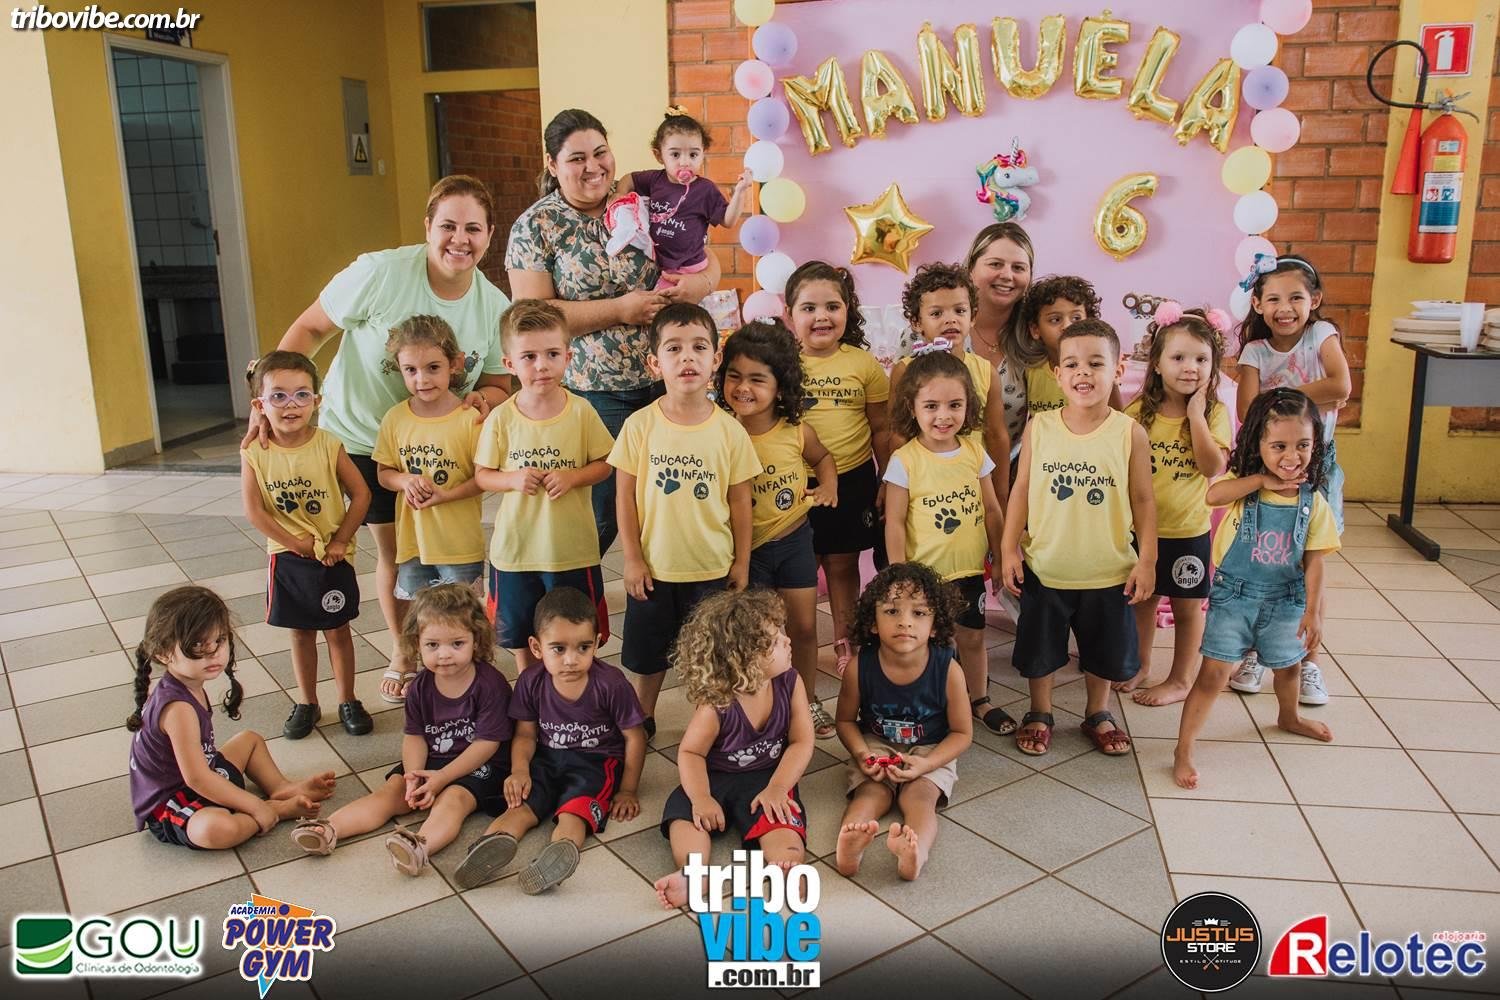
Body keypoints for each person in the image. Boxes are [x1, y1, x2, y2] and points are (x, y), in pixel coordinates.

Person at [252, 175, 511, 705]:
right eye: (448, 226)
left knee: (447, 552)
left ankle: (456, 649)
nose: (460, 239)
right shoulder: (380, 272)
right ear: (428, 226)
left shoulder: (492, 304)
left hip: (438, 448)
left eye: (473, 229)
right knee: (395, 551)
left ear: (489, 235)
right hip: (363, 438)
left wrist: (480, 401)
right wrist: (273, 404)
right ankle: (404, 651)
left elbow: (498, 382)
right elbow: (309, 331)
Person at [506, 109, 722, 553]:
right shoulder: (536, 226)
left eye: (600, 153)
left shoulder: (640, 199)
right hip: (596, 393)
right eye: (577, 158)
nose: (593, 166)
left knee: (672, 503)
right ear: (552, 165)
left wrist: (700, 284)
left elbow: (702, 253)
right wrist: (619, 310)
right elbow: (532, 318)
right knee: (600, 514)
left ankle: (666, 588)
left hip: (669, 383)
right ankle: (572, 593)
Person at [1001, 320, 1155, 757]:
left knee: (1103, 650)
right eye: (1071, 364)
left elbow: (1144, 500)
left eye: (1095, 363)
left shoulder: (1129, 432)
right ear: (1057, 373)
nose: (1082, 372)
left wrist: (1147, 560)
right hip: (1046, 566)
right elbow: (1021, 488)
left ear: (1119, 370)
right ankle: (1040, 712)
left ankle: (1098, 713)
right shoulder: (1041, 427)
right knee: (1040, 649)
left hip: (1108, 569)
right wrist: (1009, 548)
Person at [608, 303, 760, 734]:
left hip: (710, 566)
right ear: (654, 363)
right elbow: (624, 497)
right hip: (655, 568)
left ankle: (707, 724)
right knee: (648, 653)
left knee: (711, 652)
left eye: (699, 347)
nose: (687, 357)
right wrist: (631, 559)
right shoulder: (639, 425)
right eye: (674, 348)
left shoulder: (730, 431)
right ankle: (643, 714)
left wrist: (742, 562)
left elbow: (740, 502)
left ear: (715, 359)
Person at [1174, 389, 1338, 789]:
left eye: (1302, 445)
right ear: (1257, 445)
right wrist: (1261, 480)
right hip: (1234, 598)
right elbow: (1213, 495)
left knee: (1289, 666)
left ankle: (1289, 716)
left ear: (1315, 445)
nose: (1291, 456)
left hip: (1286, 600)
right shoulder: (1244, 485)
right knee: (1212, 675)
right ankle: (1184, 749)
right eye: (1278, 446)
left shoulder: (1313, 501)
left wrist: (1312, 611)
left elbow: (1315, 561)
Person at [290, 584, 513, 875]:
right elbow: (414, 736)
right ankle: (329, 829)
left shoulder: (490, 685)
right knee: (390, 793)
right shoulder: (420, 686)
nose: (444, 654)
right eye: (432, 645)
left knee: (453, 801)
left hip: (480, 764)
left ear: (476, 639)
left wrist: (442, 778)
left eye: (457, 644)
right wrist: (413, 775)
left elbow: (487, 744)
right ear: (416, 643)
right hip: (432, 757)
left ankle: (419, 847)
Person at [453, 587, 647, 893]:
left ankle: (555, 858)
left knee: (574, 813)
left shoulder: (611, 684)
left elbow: (635, 736)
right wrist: (520, 770)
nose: (571, 659)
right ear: (536, 647)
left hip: (596, 763)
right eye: (558, 648)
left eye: (583, 647)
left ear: (597, 642)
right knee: (520, 806)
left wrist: (627, 790)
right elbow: (525, 734)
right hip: (545, 759)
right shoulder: (531, 682)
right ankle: (487, 848)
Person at [1230, 255, 1351, 706]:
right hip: (1265, 467)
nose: (1285, 308)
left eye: (1296, 297)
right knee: (1265, 560)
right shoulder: (1255, 352)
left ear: (1314, 300)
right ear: (1257, 304)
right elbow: (1247, 411)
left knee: (1309, 563)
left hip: (1315, 465)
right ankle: (1258, 652)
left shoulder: (1322, 335)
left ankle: (1309, 662)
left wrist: (1277, 399)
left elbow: (1340, 386)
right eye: (1274, 299)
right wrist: (1304, 401)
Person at [129, 586, 336, 850]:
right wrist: (257, 807)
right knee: (216, 830)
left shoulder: (187, 683)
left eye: (219, 640)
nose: (213, 652)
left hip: (204, 771)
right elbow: (197, 779)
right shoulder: (178, 708)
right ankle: (276, 808)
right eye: (197, 645)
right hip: (173, 801)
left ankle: (280, 787)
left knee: (249, 740)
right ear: (163, 652)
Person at [716, 319, 840, 738]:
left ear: (781, 386)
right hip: (745, 552)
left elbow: (823, 458)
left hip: (793, 541)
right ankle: (758, 705)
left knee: (802, 628)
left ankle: (808, 701)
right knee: (755, 634)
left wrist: (828, 485)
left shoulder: (796, 430)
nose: (743, 387)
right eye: (734, 376)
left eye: (757, 379)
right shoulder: (720, 431)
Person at [474, 300, 614, 673]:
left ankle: (577, 691)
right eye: (529, 356)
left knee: (578, 630)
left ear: (568, 356)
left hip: (572, 550)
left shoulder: (582, 411)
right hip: (516, 551)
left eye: (552, 354)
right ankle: (529, 693)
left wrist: (573, 477)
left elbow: (606, 463)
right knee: (520, 634)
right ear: (509, 363)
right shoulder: (501, 418)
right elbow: (482, 475)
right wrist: (512, 479)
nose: (542, 365)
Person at [653, 589, 814, 908]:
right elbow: (691, 753)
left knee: (783, 818)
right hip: (714, 778)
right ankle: (693, 872)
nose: (787, 641)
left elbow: (802, 741)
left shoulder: (791, 682)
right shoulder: (717, 704)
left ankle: (787, 865)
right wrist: (701, 798)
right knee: (684, 816)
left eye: (782, 633)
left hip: (767, 778)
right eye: (774, 641)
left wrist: (778, 787)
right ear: (744, 660)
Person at [240, 352, 372, 739]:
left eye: (301, 395)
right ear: (260, 405)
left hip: (332, 556)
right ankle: (307, 702)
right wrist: (293, 543)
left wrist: (341, 539)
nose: (291, 405)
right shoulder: (254, 452)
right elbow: (254, 511)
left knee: (338, 629)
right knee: (299, 632)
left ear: (317, 401)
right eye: (278, 396)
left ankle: (348, 699)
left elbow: (361, 494)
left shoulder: (329, 444)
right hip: (287, 556)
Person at [884, 350, 1012, 736]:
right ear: (912, 407)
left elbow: (992, 510)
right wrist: (899, 575)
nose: (944, 416)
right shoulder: (904, 460)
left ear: (968, 405)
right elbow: (894, 522)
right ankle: (931, 702)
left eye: (955, 405)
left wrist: (1001, 556)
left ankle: (979, 699)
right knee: (928, 642)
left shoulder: (974, 452)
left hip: (968, 570)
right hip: (923, 578)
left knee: (972, 637)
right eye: (932, 406)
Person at [1121, 305, 1233, 707]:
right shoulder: (1138, 413)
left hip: (1188, 531)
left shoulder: (1215, 413)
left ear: (1213, 366)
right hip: (1143, 531)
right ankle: (1140, 664)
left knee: (1187, 609)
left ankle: (1182, 679)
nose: (1190, 368)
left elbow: (1212, 467)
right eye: (1179, 357)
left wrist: (1196, 417)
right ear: (1157, 363)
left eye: (1201, 359)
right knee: (1143, 602)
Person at [833, 563, 972, 881]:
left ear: (935, 626)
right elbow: (845, 721)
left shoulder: (949, 670)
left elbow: (962, 733)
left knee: (919, 798)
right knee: (871, 793)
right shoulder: (858, 667)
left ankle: (916, 851)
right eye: (892, 611)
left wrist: (928, 765)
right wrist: (861, 754)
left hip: (931, 748)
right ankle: (850, 843)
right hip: (876, 746)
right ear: (872, 622)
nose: (905, 622)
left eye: (919, 613)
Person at [784, 261, 890, 675]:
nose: (822, 316)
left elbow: (880, 428)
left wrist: (886, 478)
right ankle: (793, 646)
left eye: (833, 306)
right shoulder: (782, 365)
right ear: (789, 314)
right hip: (796, 484)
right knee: (799, 568)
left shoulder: (863, 365)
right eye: (809, 308)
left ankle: (846, 642)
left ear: (848, 310)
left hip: (852, 480)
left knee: (844, 565)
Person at [372, 315, 486, 697]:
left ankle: (469, 674)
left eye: (433, 368)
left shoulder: (471, 419)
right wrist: (405, 481)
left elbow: (484, 477)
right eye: (411, 370)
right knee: (415, 610)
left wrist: (446, 495)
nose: (422, 379)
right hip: (414, 541)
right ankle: (411, 660)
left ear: (455, 364)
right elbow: (384, 472)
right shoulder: (396, 418)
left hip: (458, 542)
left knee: (462, 615)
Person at [889, 262, 1011, 505]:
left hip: (971, 482)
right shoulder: (904, 370)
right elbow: (898, 433)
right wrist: (892, 484)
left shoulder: (986, 372)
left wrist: (1001, 493)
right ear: (916, 322)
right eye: (936, 313)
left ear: (972, 317)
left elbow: (996, 435)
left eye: (959, 311)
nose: (950, 320)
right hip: (923, 485)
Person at [615, 108, 752, 286]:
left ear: (703, 153)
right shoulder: (654, 179)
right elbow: (629, 179)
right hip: (658, 266)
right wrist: (619, 197)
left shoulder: (705, 190)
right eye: (675, 154)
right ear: (659, 155)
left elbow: (728, 221)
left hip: (691, 268)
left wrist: (740, 192)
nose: (685, 162)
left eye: (693, 154)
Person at [962, 223, 1034, 449]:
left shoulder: (1036, 336)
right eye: (995, 264)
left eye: (1018, 268)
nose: (1007, 275)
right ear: (971, 269)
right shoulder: (928, 330)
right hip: (936, 467)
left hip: (1012, 465)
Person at [1017, 275, 1122, 417]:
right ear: (1035, 330)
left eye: (1076, 318)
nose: (1067, 326)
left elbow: (1118, 418)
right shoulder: (1031, 371)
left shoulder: (1101, 370)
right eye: (1055, 319)